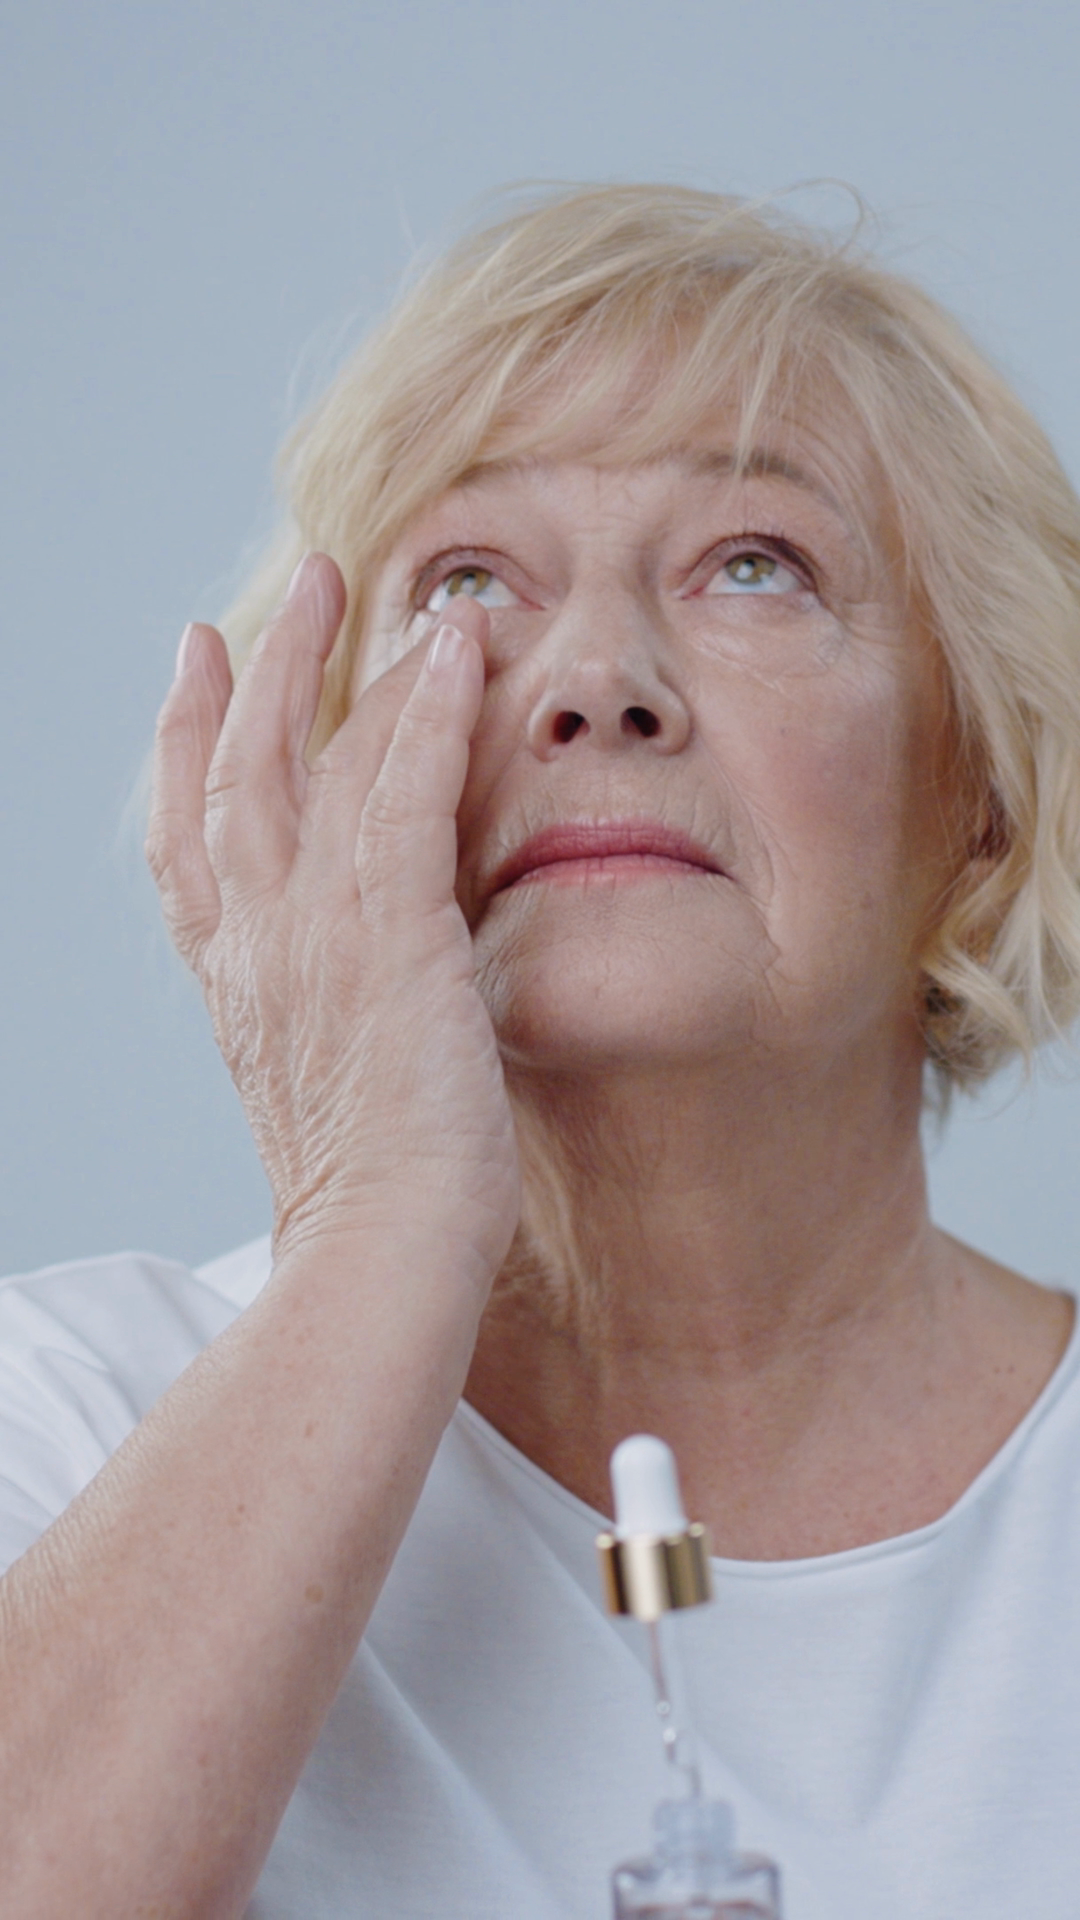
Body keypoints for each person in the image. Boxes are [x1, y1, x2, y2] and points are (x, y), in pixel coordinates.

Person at [2, 182, 1080, 1920]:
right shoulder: (66, 1420)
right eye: (468, 582)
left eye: (756, 565)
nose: (596, 677)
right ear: (319, 768)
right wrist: (379, 1222)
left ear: (987, 789)